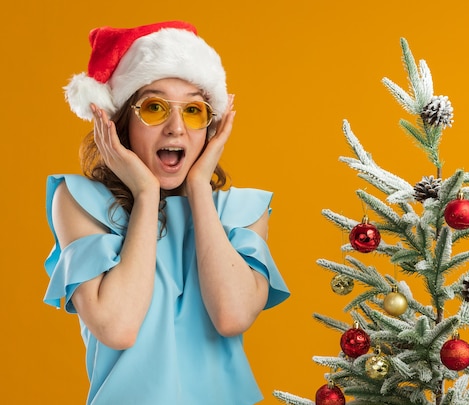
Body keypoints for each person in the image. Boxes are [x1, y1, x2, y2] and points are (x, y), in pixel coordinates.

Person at [43, 21, 290, 405]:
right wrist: (145, 193)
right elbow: (118, 327)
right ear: (121, 122)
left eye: (193, 110)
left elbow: (233, 317)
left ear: (210, 127)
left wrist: (198, 190)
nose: (176, 128)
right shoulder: (78, 201)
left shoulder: (241, 210)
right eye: (155, 107)